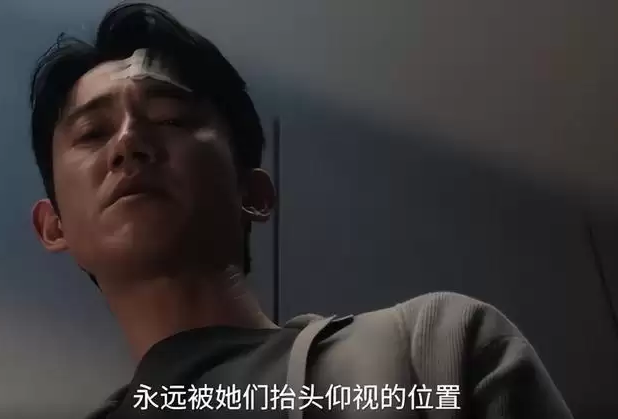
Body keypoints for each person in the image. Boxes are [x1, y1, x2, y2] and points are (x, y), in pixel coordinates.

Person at [29, 3, 573, 418]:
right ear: (54, 227)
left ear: (254, 193)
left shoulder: (432, 352)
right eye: (93, 132)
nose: (129, 143)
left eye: (170, 118)